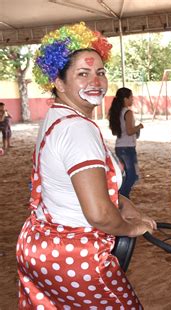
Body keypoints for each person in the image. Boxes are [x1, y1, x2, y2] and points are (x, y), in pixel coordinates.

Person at [16, 22, 155, 308]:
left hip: (41, 243)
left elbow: (71, 188)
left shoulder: (57, 117)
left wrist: (122, 202)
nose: (96, 81)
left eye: (100, 72)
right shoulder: (78, 129)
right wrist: (131, 228)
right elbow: (99, 214)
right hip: (75, 254)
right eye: (83, 73)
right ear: (58, 81)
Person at [108, 87, 144, 198]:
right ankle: (121, 198)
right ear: (125, 98)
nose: (132, 99)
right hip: (127, 147)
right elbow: (129, 131)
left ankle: (122, 197)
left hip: (120, 146)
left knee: (127, 175)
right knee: (132, 176)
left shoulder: (117, 112)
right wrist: (139, 127)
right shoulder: (128, 113)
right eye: (131, 97)